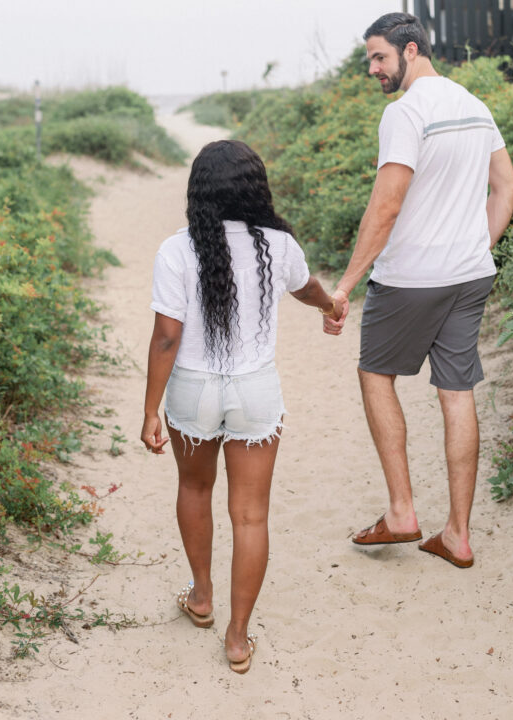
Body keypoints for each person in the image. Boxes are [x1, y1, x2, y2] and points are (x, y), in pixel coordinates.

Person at [325, 12, 513, 568]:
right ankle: (457, 535)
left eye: (379, 57)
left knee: (374, 374)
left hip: (411, 278)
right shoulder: (475, 105)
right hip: (469, 274)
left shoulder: (405, 113)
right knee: (456, 393)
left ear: (411, 50)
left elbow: (386, 207)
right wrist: (473, 247)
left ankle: (402, 512)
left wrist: (343, 286)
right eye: (370, 59)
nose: (373, 69)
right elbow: (507, 189)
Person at [141, 140, 343, 674]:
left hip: (193, 389)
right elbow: (307, 289)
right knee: (251, 515)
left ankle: (202, 597)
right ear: (255, 187)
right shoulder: (278, 245)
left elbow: (166, 337)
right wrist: (330, 307)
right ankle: (236, 638)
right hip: (256, 392)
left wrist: (148, 411)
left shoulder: (176, 250)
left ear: (199, 190)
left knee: (193, 487)